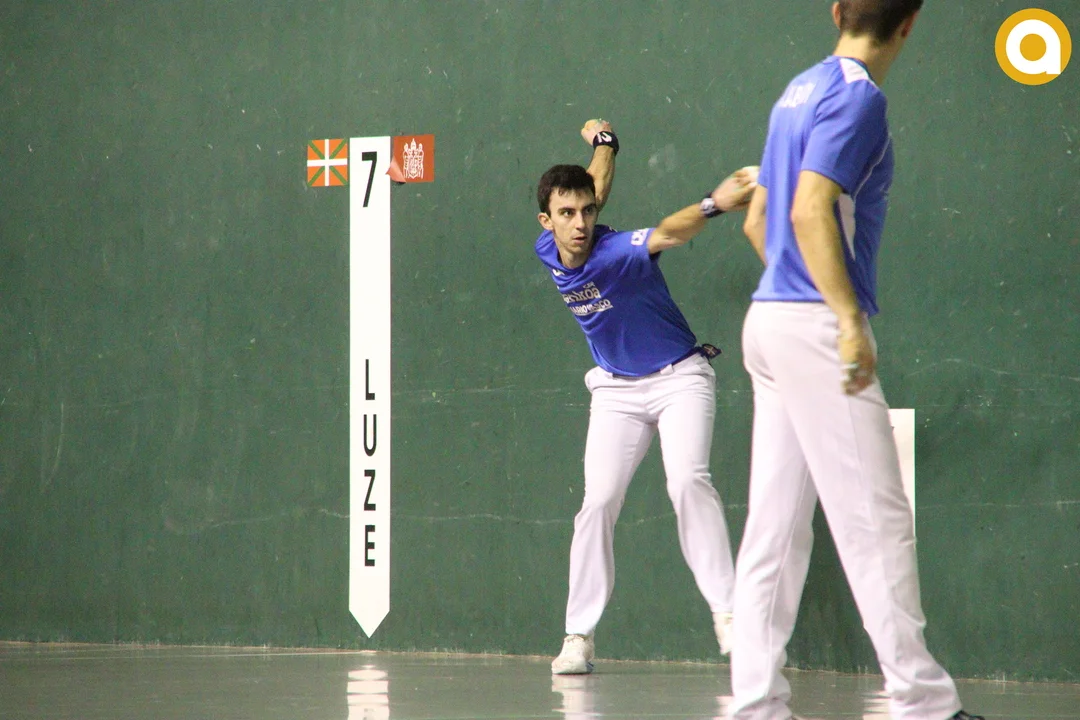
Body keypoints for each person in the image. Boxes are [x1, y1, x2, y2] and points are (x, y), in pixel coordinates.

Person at [730, 2, 984, 719]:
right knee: (876, 519)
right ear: (910, 24)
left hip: (770, 319)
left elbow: (759, 219)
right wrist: (843, 319)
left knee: (775, 531)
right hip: (812, 327)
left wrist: (794, 293)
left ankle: (755, 704)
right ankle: (924, 704)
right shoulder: (858, 98)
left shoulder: (798, 89)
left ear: (838, 11)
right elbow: (809, 210)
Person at [535, 119, 756, 675]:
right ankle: (578, 636)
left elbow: (669, 233)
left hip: (681, 378)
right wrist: (605, 146)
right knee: (598, 502)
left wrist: (715, 204)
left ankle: (730, 614)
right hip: (615, 391)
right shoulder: (551, 248)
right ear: (547, 221)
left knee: (687, 481)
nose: (581, 222)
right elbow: (594, 183)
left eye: (587, 212)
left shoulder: (617, 251)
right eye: (567, 213)